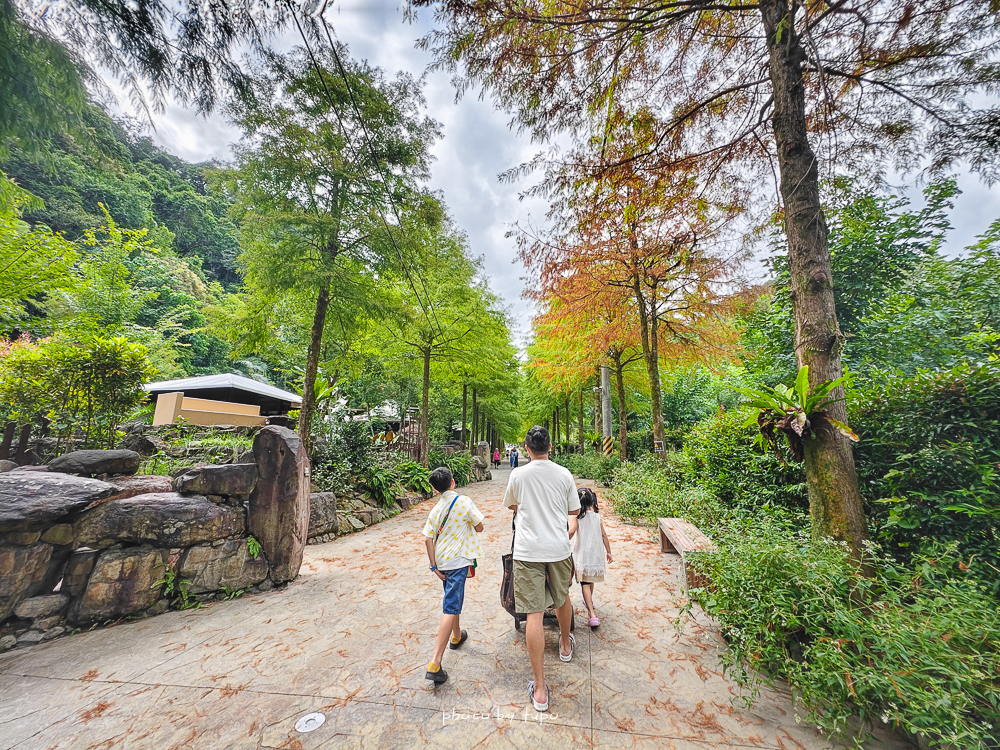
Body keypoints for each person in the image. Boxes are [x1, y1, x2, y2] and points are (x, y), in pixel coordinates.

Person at [503, 425, 580, 712]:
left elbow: (512, 505)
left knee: (533, 613)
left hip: (528, 551)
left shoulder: (518, 474)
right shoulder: (564, 474)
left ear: (527, 448)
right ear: (550, 446)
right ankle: (564, 645)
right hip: (558, 548)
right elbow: (574, 510)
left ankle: (539, 690)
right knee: (562, 598)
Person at [422, 466, 485, 686]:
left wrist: (433, 567)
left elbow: (428, 539)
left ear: (434, 488)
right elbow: (479, 527)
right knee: (450, 606)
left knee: (453, 599)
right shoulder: (464, 502)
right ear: (453, 482)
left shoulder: (435, 510)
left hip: (443, 563)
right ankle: (435, 663)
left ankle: (457, 636)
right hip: (458, 562)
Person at [569, 487, 613, 628]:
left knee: (585, 583)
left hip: (582, 555)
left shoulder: (577, 517)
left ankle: (592, 614)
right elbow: (604, 535)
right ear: (592, 501)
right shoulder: (597, 517)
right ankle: (589, 603)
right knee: (590, 580)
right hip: (595, 555)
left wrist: (561, 539)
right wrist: (609, 552)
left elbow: (571, 532)